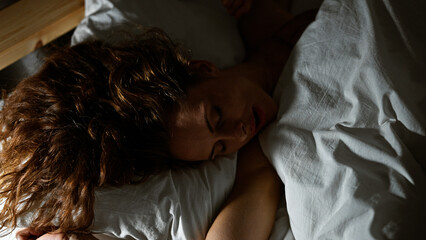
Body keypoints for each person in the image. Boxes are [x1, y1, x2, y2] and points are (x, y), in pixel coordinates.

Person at [0, 0, 316, 239]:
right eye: (219, 148)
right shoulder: (254, 154)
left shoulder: (254, 21)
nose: (241, 132)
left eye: (216, 116)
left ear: (202, 68)